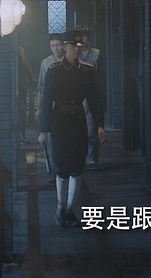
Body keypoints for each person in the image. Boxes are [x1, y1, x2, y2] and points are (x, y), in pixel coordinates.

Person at [38, 30, 107, 227]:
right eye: (74, 46)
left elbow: (94, 99)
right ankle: (60, 206)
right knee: (62, 164)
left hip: (78, 119)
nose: (78, 50)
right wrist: (43, 130)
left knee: (78, 164)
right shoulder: (54, 71)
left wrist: (100, 124)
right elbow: (47, 101)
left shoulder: (86, 70)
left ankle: (69, 209)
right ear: (66, 47)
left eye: (80, 46)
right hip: (59, 121)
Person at [75, 25, 105, 169]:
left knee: (93, 128)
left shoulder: (96, 53)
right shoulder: (76, 52)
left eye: (87, 35)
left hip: (93, 92)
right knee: (80, 130)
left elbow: (100, 75)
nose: (85, 38)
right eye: (83, 35)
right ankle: (81, 157)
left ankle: (92, 158)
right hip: (78, 94)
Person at [36, 33, 65, 184]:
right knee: (51, 143)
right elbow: (41, 88)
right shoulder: (45, 63)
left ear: (63, 45)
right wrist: (39, 108)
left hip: (67, 106)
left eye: (58, 45)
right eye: (52, 46)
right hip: (51, 107)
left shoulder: (69, 60)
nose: (55, 48)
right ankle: (55, 172)